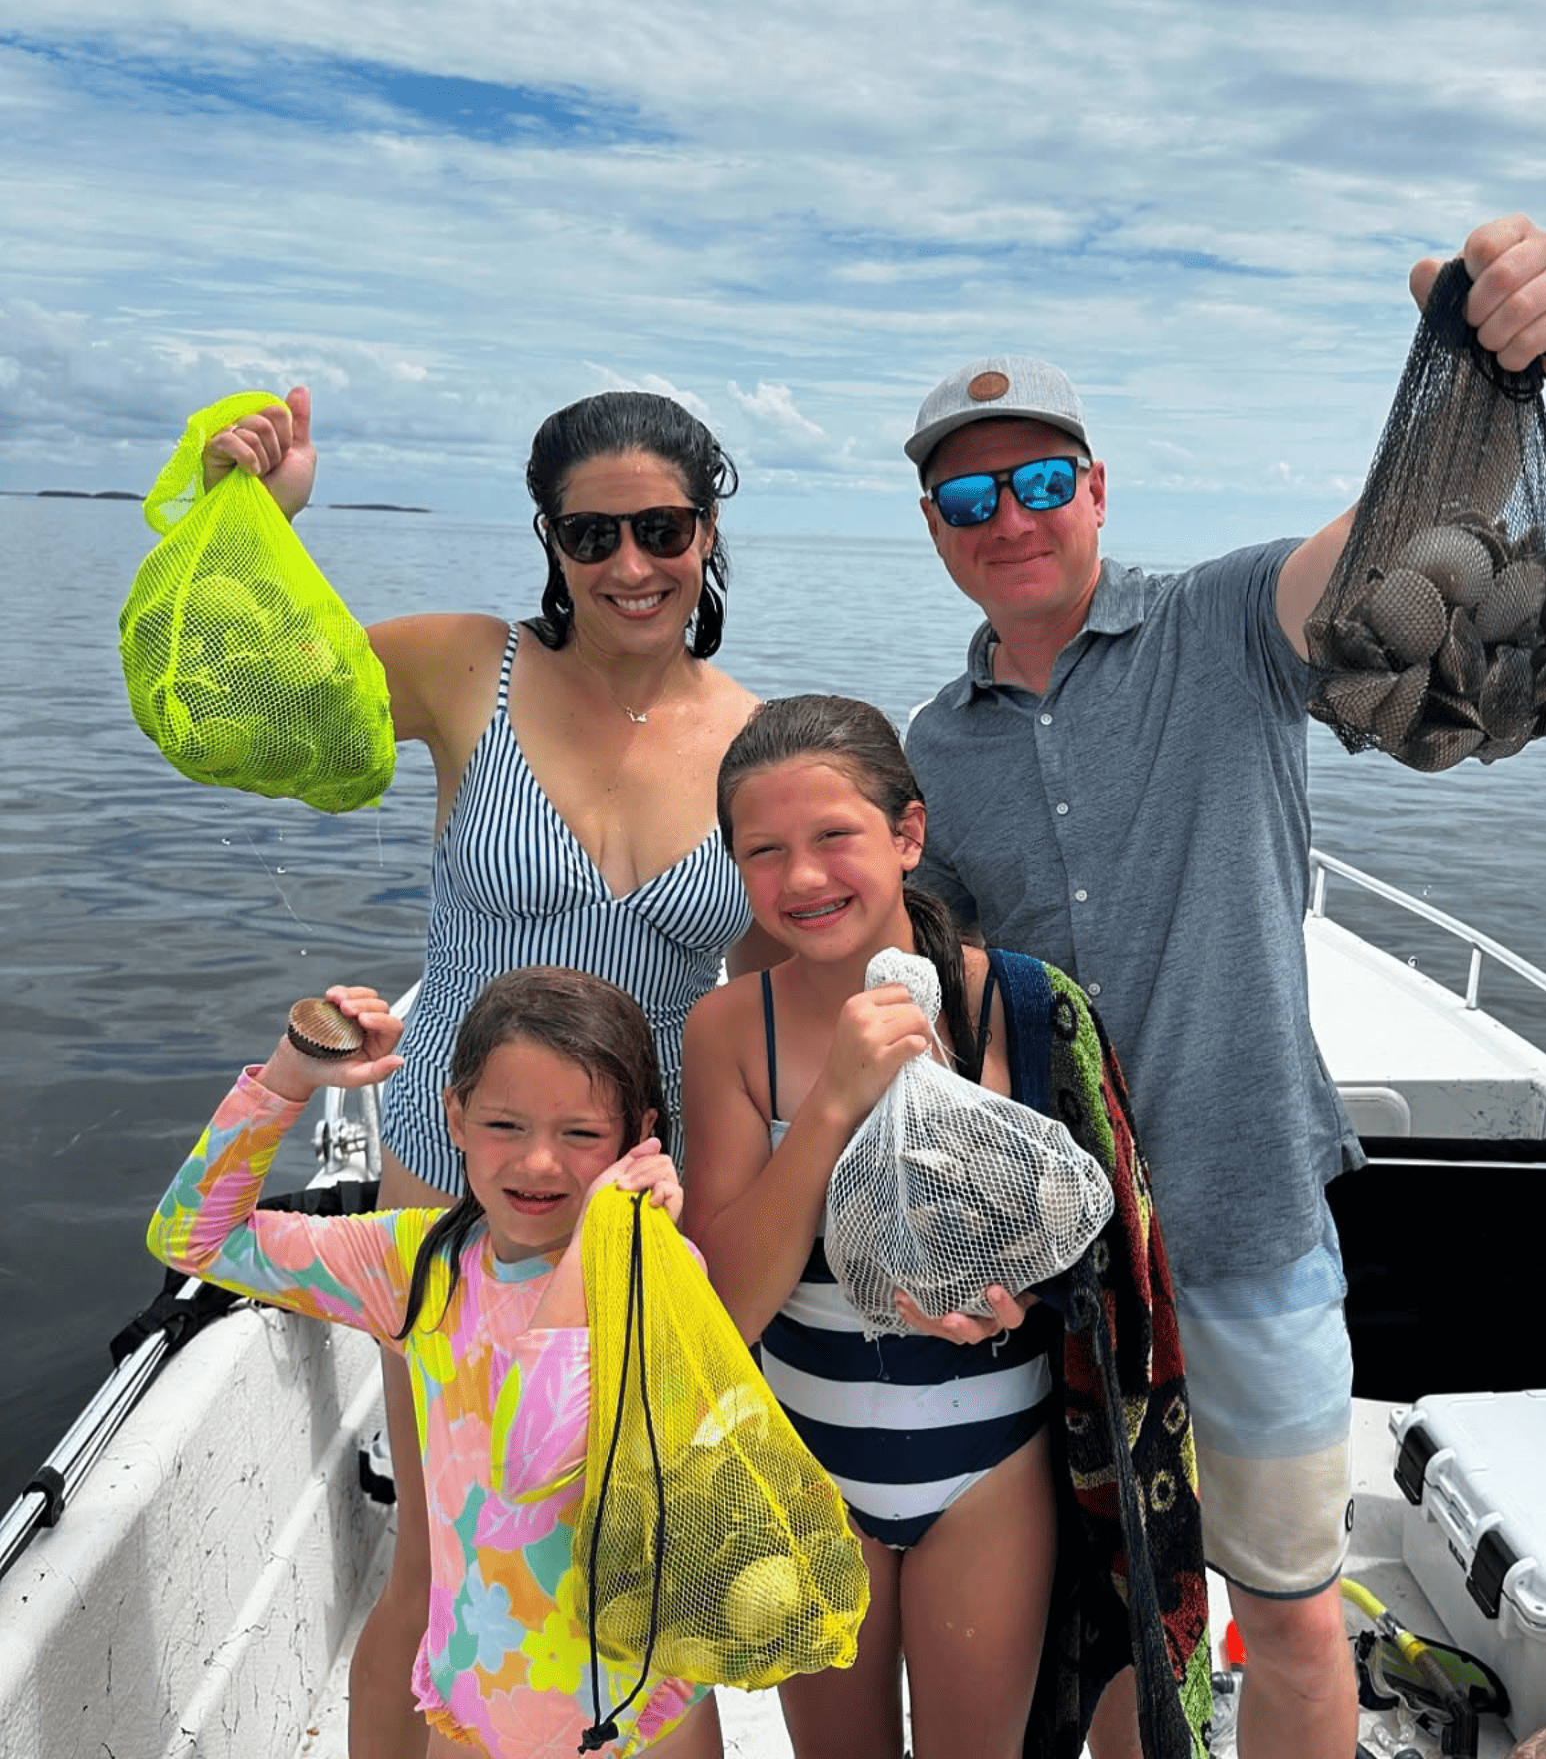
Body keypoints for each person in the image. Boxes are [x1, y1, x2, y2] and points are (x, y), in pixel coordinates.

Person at [897, 215, 1546, 1759]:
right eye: (967, 493)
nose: (1006, 515)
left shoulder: (1223, 623)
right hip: (1061, 1267)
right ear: (935, 526)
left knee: (1285, 1617)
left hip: (1253, 1224)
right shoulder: (930, 753)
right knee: (1117, 1606)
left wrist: (1477, 365)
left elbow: (1409, 533)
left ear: (1093, 489)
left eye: (1036, 480)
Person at [201, 387, 777, 1759]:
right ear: (549, 538)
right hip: (454, 1158)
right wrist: (260, 521)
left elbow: (782, 978)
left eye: (663, 527)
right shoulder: (471, 666)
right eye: (593, 533)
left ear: (708, 530)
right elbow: (262, 700)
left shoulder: (757, 734)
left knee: (631, 1546)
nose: (631, 563)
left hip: (649, 1193)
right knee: (444, 1549)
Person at [678, 695, 1210, 1759]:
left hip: (990, 1477)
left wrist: (1025, 1289)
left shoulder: (1021, 1006)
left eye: (836, 837)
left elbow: (1101, 1246)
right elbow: (727, 1306)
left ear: (908, 835)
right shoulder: (733, 1027)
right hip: (802, 1472)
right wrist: (832, 1101)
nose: (803, 879)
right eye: (763, 852)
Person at [146, 969, 722, 1759]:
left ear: (638, 1135)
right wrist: (290, 1076)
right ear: (453, 1115)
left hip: (643, 1714)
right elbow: (193, 1239)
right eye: (505, 1125)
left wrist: (600, 1247)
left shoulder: (661, 1272)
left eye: (582, 1134)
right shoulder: (413, 1264)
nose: (540, 1163)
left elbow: (536, 1457)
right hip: (471, 1709)